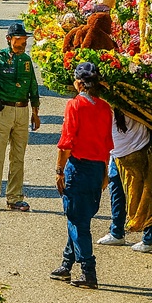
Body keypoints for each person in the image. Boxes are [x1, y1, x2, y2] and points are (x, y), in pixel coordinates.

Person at [51, 62, 114, 289]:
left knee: (78, 222)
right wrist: (105, 174)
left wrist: (59, 170)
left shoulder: (75, 105)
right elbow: (107, 144)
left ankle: (89, 273)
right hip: (97, 170)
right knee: (80, 218)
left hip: (78, 168)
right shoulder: (105, 108)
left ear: (78, 83)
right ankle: (66, 265)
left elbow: (66, 142)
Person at [0, 22, 41, 212]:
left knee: (18, 157)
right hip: (2, 111)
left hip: (22, 111)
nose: (23, 43)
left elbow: (33, 87)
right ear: (9, 39)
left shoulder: (26, 60)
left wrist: (35, 113)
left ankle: (14, 198)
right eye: (19, 39)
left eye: (24, 40)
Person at [97, 110, 152, 252]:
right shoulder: (106, 105)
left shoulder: (135, 103)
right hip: (116, 153)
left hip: (137, 152)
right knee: (116, 194)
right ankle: (116, 232)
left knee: (144, 198)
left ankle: (148, 239)